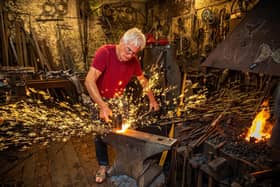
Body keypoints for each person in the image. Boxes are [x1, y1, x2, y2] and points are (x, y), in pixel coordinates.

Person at [84, 27, 160, 183]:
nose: (130, 55)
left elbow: (143, 81)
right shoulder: (105, 52)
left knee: (124, 130)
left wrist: (152, 99)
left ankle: (124, 162)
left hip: (119, 99)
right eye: (128, 50)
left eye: (134, 53)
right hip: (99, 98)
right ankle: (103, 165)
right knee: (100, 134)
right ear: (121, 41)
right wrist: (102, 106)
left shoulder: (133, 60)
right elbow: (89, 80)